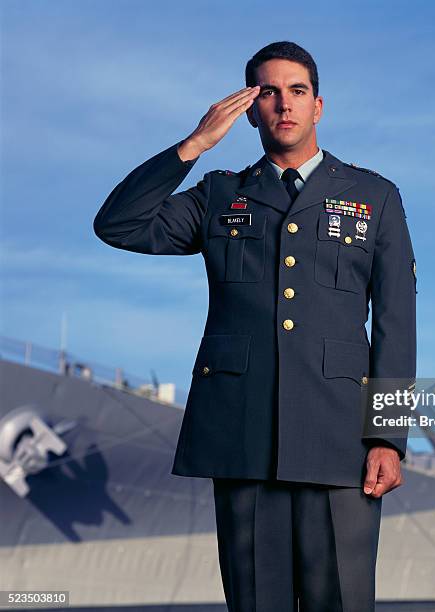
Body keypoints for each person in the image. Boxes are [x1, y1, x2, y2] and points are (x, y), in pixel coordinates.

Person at [93, 41, 417, 612]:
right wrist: (192, 146)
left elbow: (396, 323)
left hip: (339, 439)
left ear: (319, 106)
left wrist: (387, 438)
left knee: (340, 601)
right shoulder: (219, 194)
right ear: (249, 109)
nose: (283, 105)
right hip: (242, 435)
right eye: (268, 92)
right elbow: (118, 225)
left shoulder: (374, 197)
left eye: (297, 92)